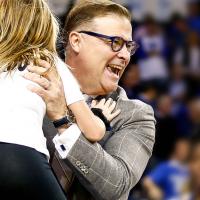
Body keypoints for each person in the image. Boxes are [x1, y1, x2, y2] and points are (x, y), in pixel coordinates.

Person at [24, 0, 156, 199]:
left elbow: (115, 185)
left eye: (128, 46)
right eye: (116, 42)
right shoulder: (31, 88)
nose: (125, 55)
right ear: (76, 41)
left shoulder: (136, 114)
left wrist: (63, 121)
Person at [0, 0, 119, 199]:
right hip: (23, 156)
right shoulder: (49, 63)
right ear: (44, 26)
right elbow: (93, 131)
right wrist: (99, 116)